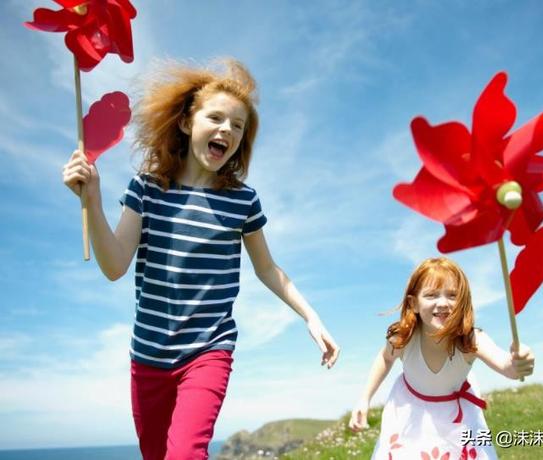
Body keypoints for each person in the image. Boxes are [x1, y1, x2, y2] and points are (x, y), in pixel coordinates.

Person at [62, 58, 340, 460]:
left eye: (238, 126)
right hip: (148, 356)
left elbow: (267, 268)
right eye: (216, 118)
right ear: (187, 123)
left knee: (186, 454)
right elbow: (115, 264)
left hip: (208, 351)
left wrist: (311, 318)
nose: (227, 129)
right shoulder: (147, 189)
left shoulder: (243, 201)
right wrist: (92, 200)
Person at [348, 257, 534, 459]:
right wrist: (364, 399)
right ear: (414, 303)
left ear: (462, 301)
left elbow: (507, 366)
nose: (443, 303)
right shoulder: (404, 338)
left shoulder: (471, 339)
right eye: (431, 295)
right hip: (410, 409)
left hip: (458, 414)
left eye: (452, 295)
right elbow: (385, 358)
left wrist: (519, 363)